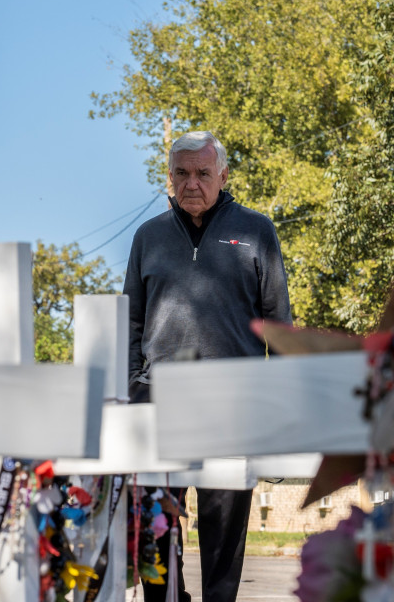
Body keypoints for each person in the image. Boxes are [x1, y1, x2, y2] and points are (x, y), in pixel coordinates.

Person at [124, 130, 292, 602]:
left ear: (222, 174)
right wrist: (128, 397)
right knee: (156, 533)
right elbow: (130, 323)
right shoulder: (148, 236)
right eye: (181, 173)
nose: (191, 182)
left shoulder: (257, 231)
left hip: (232, 406)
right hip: (157, 405)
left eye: (202, 172)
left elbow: (280, 324)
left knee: (223, 539)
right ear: (170, 177)